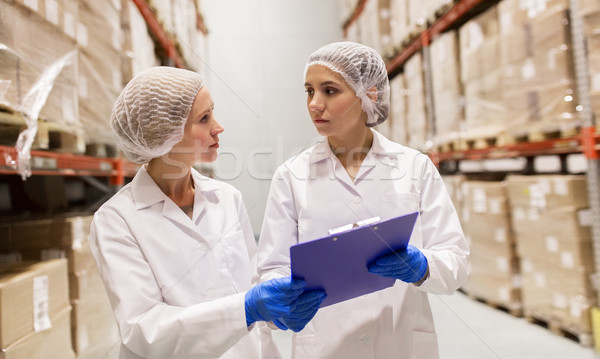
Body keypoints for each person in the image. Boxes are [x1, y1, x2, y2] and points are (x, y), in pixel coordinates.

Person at [90, 66, 325, 359]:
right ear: (163, 133)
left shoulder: (226, 198)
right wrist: (247, 308)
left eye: (212, 112)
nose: (218, 126)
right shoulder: (116, 221)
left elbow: (252, 286)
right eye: (204, 118)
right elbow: (144, 330)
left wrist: (278, 309)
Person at [257, 42, 469, 358]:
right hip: (327, 346)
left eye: (329, 91)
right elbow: (272, 270)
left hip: (399, 343)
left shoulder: (414, 167)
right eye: (309, 91)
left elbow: (455, 261)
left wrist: (422, 266)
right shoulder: (291, 176)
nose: (315, 104)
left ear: (368, 95)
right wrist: (283, 303)